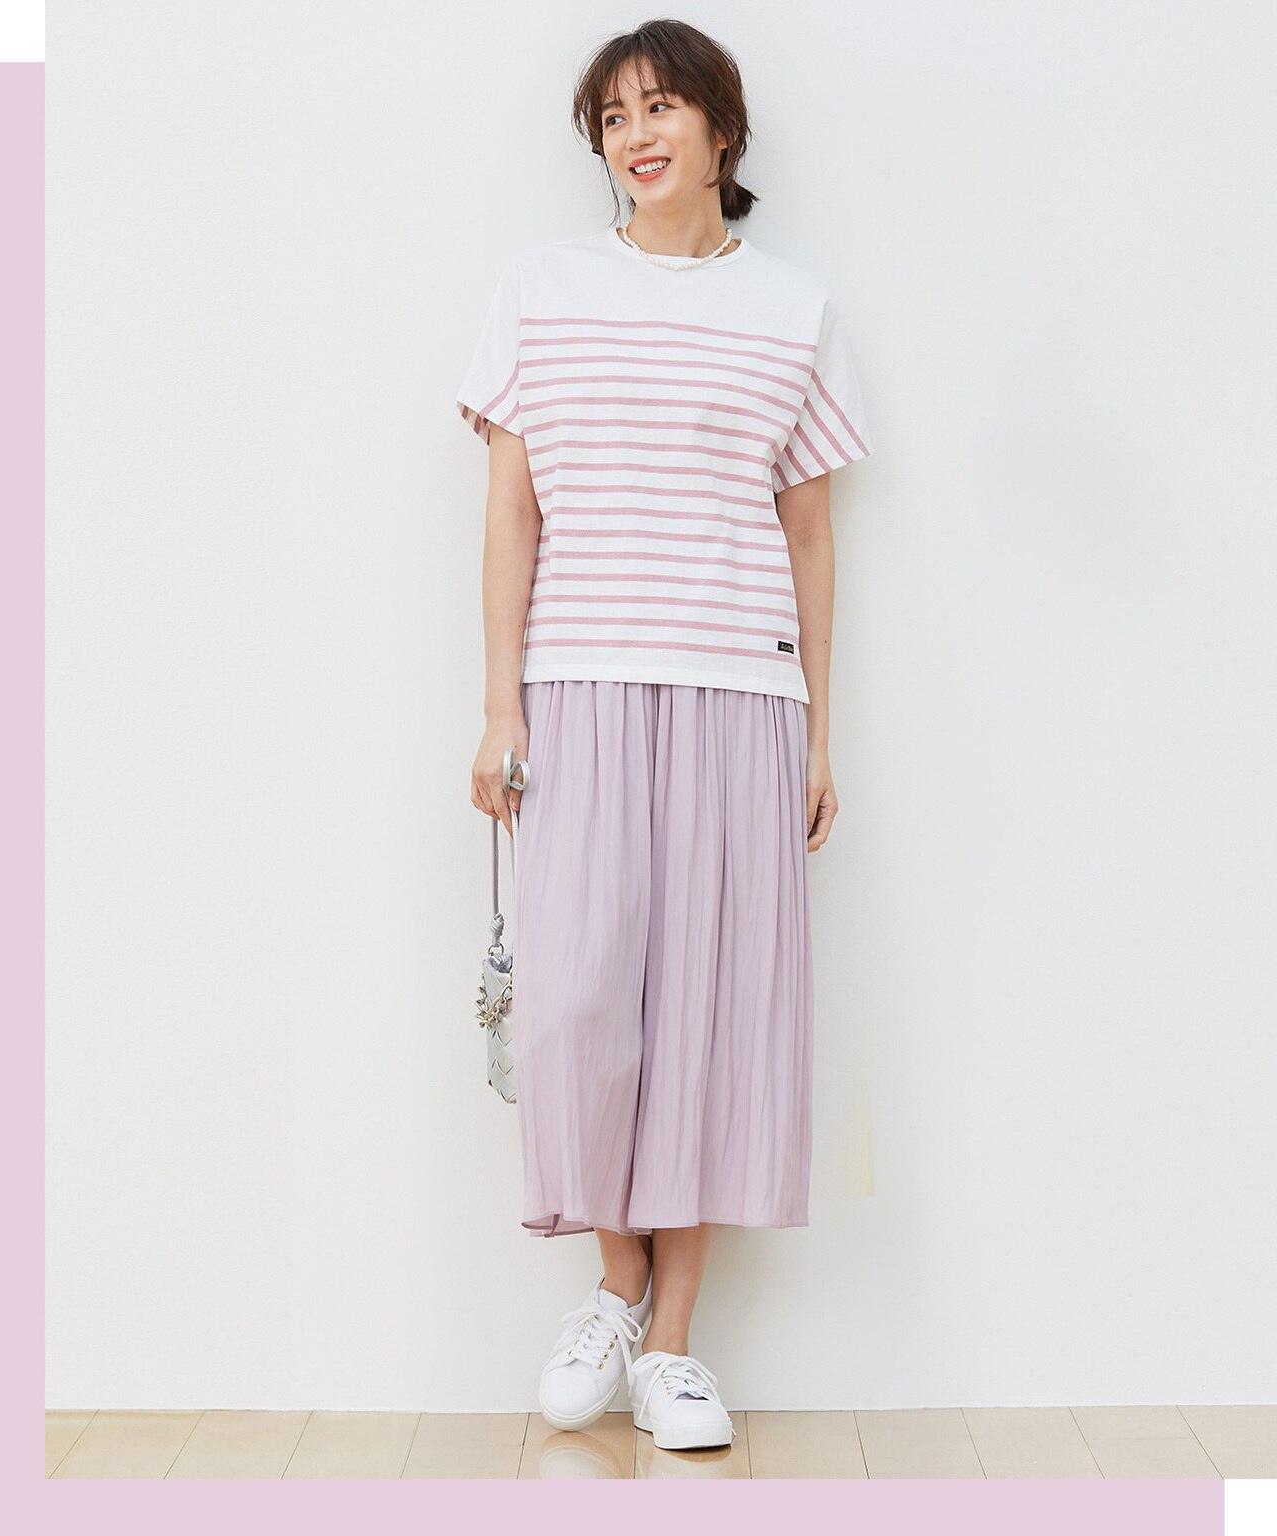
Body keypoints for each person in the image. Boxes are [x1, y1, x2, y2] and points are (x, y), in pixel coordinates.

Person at [459, 19, 873, 1453]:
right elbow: (509, 511)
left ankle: (675, 1347)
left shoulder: (795, 311)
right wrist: (500, 703)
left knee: (708, 1012)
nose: (636, 136)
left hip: (742, 691)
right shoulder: (541, 291)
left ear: (720, 130)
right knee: (578, 1005)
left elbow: (809, 535)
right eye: (614, 117)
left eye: (662, 108)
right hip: (576, 682)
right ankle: (616, 1285)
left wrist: (818, 731)